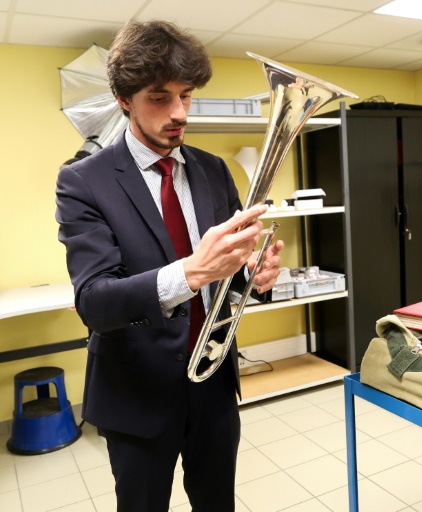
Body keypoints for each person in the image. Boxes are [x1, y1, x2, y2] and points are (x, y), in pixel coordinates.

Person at [55, 20, 284, 512]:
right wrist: (191, 272)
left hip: (214, 385)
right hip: (136, 392)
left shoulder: (211, 169)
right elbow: (94, 301)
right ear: (124, 98)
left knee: (217, 503)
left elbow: (229, 274)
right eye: (160, 97)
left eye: (186, 95)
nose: (179, 112)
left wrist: (255, 277)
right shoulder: (82, 181)